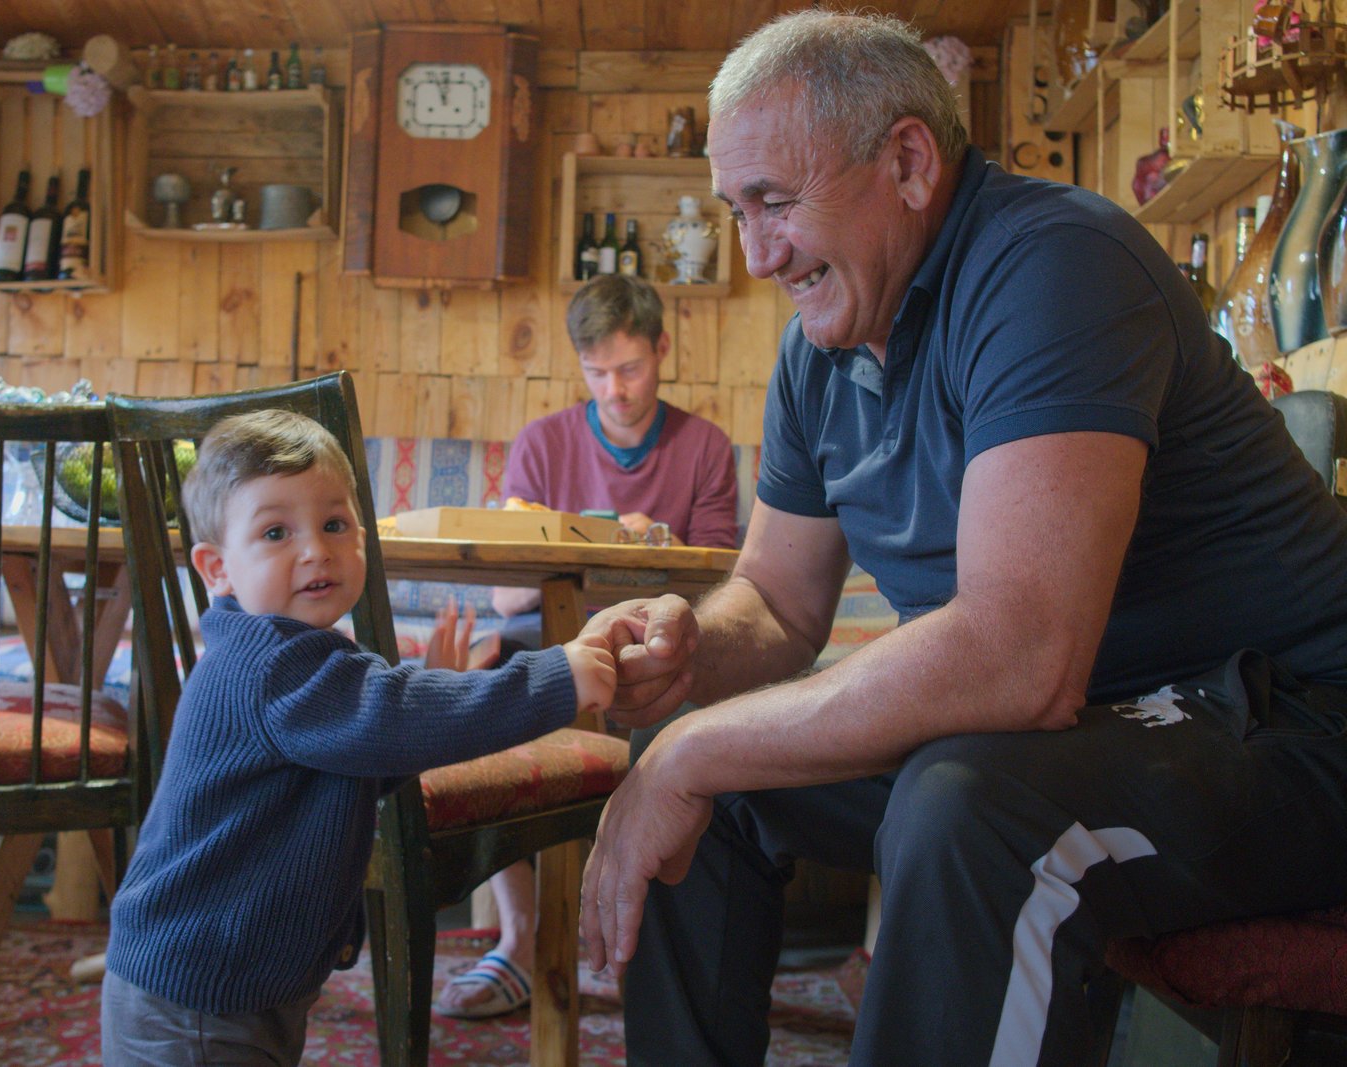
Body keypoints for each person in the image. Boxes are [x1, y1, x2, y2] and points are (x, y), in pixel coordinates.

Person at [576, 12, 1347, 1067]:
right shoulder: (821, 346)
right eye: (734, 210)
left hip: (1284, 726)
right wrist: (691, 650)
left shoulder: (1054, 264)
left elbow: (1019, 655)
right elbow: (778, 599)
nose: (755, 253)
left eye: (775, 202)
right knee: (713, 780)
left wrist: (692, 748)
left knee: (964, 809)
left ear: (906, 159)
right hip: (1071, 731)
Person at [100, 410, 616, 1066]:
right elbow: (393, 714)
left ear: (364, 539)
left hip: (226, 983)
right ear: (216, 568)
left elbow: (368, 748)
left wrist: (426, 702)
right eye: (276, 531)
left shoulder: (301, 657)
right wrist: (558, 676)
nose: (314, 548)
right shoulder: (271, 662)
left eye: (334, 524)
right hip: (197, 999)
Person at [435, 273, 739, 1020]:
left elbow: (725, 582)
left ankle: (640, 942)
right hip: (543, 638)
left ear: (662, 351)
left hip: (654, 641)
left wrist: (648, 543)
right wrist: (587, 539)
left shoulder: (702, 447)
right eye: (596, 372)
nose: (615, 389)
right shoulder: (543, 443)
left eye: (630, 368)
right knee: (489, 698)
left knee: (693, 701)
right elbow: (506, 596)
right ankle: (520, 934)